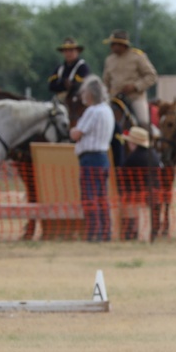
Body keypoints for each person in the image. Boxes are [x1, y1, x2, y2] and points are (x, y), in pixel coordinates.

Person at [70, 76, 115, 242]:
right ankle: (105, 231)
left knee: (90, 197)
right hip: (103, 157)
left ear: (90, 94)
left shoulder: (92, 111)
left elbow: (77, 133)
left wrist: (72, 131)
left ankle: (93, 232)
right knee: (102, 196)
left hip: (90, 158)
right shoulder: (107, 110)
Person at [101, 29, 158, 130]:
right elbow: (105, 82)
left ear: (122, 45)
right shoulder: (109, 60)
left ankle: (148, 143)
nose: (111, 47)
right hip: (114, 98)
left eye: (114, 44)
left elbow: (151, 76)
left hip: (134, 97)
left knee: (143, 122)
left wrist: (135, 86)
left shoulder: (137, 57)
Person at [118, 125, 161, 241]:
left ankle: (131, 234)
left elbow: (122, 175)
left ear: (133, 143)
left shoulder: (133, 158)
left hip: (136, 196)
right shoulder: (154, 155)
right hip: (153, 195)